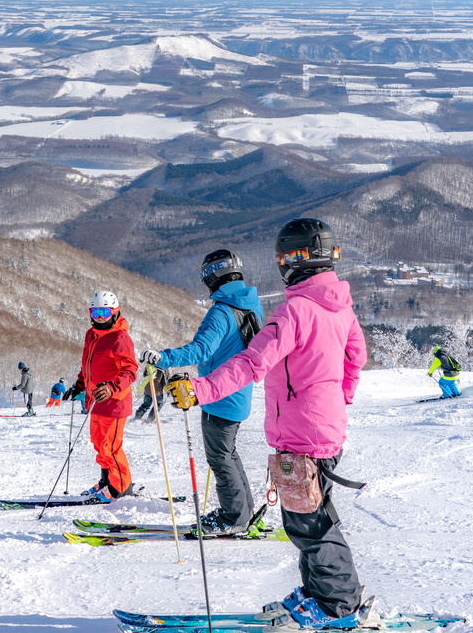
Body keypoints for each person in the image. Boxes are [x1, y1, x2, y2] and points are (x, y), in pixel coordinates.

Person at [167, 218, 367, 630]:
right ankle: (319, 596)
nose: (282, 263)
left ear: (296, 259)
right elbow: (355, 358)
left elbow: (252, 362)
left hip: (301, 435)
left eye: (285, 256)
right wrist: (337, 400)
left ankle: (337, 608)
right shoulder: (340, 306)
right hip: (324, 430)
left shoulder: (295, 310)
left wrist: (200, 390)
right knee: (306, 518)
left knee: (311, 524)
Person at [142, 250, 266, 536]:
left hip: (219, 395)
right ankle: (242, 511)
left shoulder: (222, 311)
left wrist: (162, 357)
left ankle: (234, 516)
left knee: (220, 458)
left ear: (213, 277)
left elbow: (202, 350)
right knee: (228, 454)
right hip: (238, 389)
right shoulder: (249, 304)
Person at [64, 290, 138, 503]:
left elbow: (130, 371)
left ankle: (120, 489)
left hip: (114, 402)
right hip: (96, 401)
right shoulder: (92, 334)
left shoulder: (120, 338)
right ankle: (107, 481)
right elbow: (87, 365)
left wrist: (112, 388)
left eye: (104, 312)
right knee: (99, 444)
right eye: (95, 312)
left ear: (115, 312)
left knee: (111, 446)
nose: (99, 317)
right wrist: (79, 386)